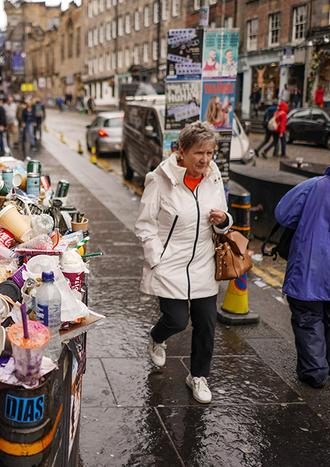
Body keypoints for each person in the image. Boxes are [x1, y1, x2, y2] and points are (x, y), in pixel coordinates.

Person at [135, 122, 233, 404]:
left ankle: (198, 376)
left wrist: (224, 222)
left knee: (206, 323)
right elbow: (144, 225)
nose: (205, 160)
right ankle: (156, 336)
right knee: (177, 320)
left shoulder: (213, 177)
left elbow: (223, 218)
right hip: (170, 263)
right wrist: (156, 257)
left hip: (203, 262)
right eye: (199, 153)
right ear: (181, 152)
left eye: (210, 153)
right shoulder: (159, 180)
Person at [275, 136, 330, 388]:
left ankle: (315, 371)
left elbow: (283, 214)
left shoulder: (313, 185)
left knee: (307, 318)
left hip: (307, 269)